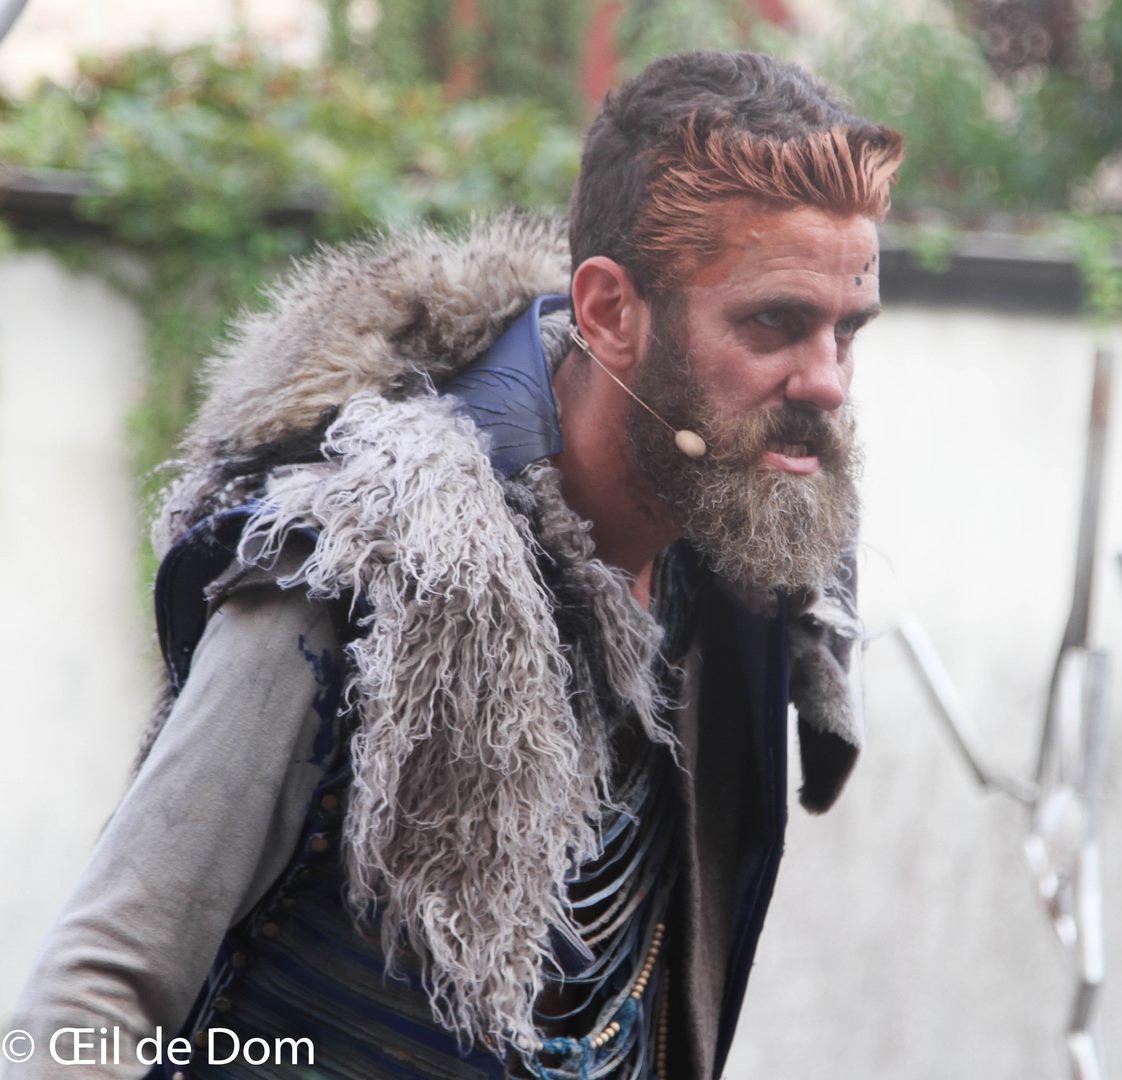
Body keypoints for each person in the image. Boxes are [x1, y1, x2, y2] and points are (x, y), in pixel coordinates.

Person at [7, 50, 903, 1080]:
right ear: (610, 312)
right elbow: (96, 993)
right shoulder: (362, 564)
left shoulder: (749, 558)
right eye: (775, 322)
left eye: (847, 332)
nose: (827, 382)